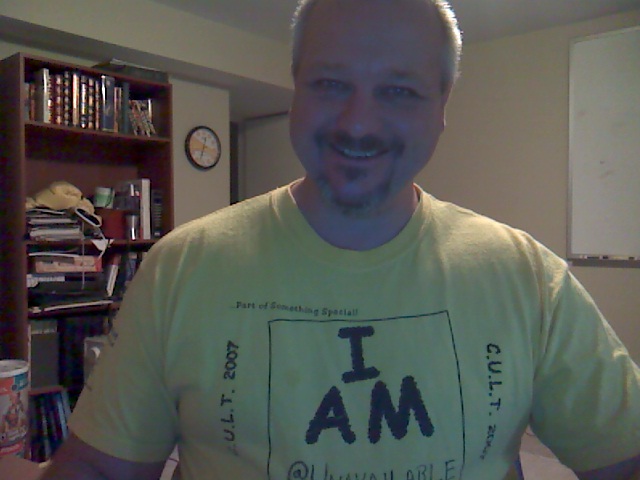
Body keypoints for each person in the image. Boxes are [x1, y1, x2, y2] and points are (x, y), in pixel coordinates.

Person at [42, 0, 640, 479]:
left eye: (399, 90)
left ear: (442, 107)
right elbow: (98, 468)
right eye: (330, 83)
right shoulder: (181, 268)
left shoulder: (528, 278)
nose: (358, 123)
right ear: (297, 89)